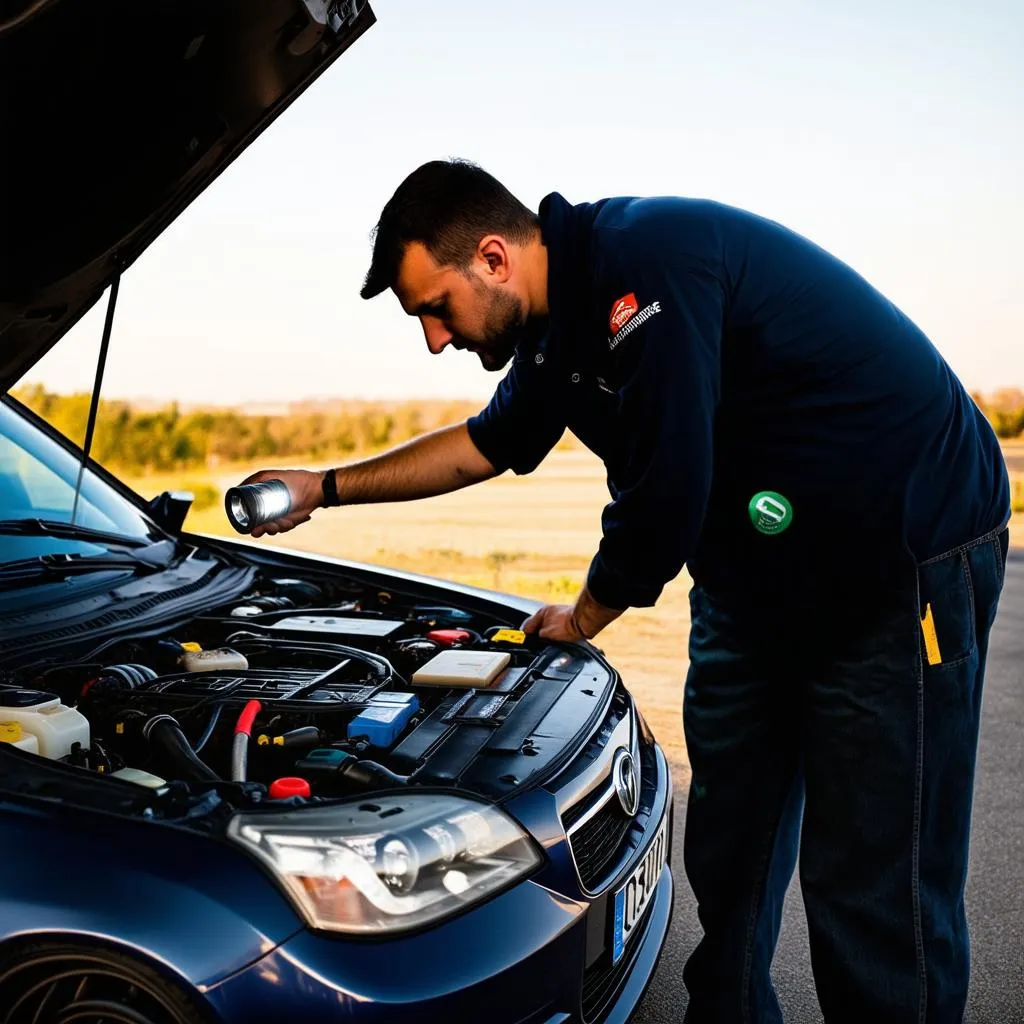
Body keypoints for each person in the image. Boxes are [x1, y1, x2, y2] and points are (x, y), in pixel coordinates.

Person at [237, 159, 1010, 1023]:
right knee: (729, 845)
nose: (434, 340)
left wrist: (583, 615)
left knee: (873, 883)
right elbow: (480, 445)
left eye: (434, 309)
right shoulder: (551, 337)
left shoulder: (648, 266)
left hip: (898, 552)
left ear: (494, 258)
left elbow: (665, 496)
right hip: (756, 577)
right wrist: (325, 486)